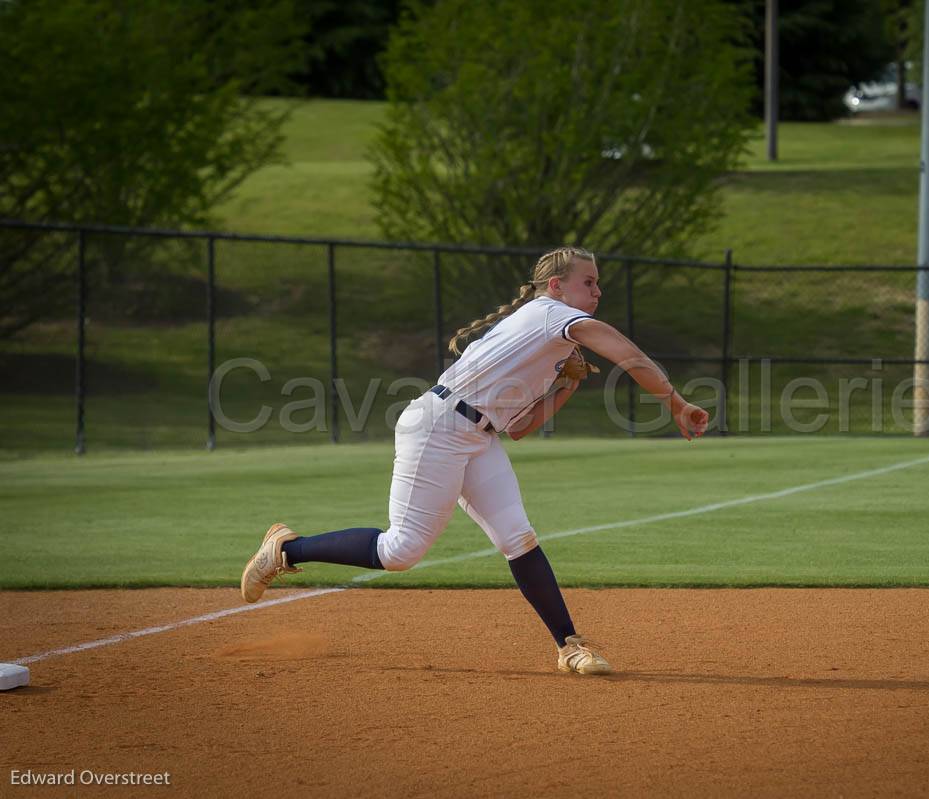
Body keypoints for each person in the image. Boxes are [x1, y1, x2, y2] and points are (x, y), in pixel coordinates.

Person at [239, 246, 710, 675]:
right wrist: (675, 403)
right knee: (400, 551)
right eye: (588, 281)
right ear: (556, 286)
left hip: (479, 436)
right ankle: (285, 550)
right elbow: (629, 355)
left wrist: (567, 384)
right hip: (438, 427)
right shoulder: (551, 316)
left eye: (597, 282)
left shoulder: (555, 342)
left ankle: (569, 645)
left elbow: (520, 428)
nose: (598, 290)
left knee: (518, 538)